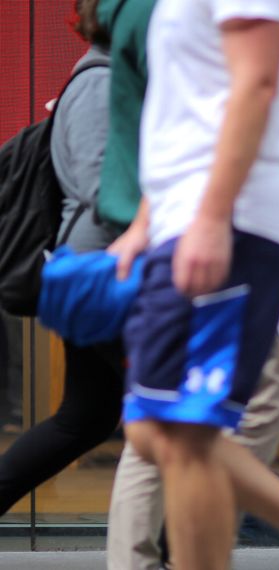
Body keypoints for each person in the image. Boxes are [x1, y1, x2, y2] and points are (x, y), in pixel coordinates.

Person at [108, 0, 279, 568]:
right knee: (160, 428)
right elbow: (183, 116)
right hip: (186, 219)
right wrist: (146, 222)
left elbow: (256, 83)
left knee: (180, 428)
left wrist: (211, 219)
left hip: (219, 223)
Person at [0, 0, 127, 516]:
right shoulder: (100, 82)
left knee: (87, 416)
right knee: (178, 421)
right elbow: (105, 191)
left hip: (102, 269)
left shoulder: (114, 78)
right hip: (101, 273)